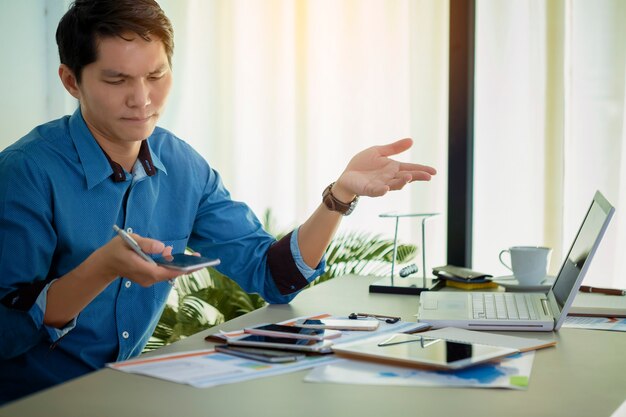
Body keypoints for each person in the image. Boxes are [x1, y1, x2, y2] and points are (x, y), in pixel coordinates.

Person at [0, 0, 436, 404]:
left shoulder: (182, 165)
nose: (142, 100)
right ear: (71, 81)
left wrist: (340, 194)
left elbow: (271, 276)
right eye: (117, 80)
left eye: (156, 76)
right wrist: (101, 269)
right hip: (33, 402)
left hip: (126, 393)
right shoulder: (25, 172)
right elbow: (5, 333)